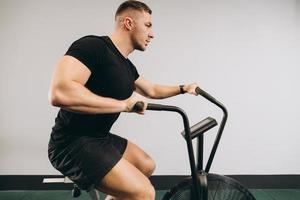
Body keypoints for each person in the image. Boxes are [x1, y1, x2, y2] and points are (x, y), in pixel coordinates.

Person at [48, 1, 199, 200]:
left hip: (99, 137)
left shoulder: (126, 66)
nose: (152, 34)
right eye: (147, 25)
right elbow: (60, 92)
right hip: (71, 143)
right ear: (128, 23)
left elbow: (152, 90)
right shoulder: (92, 46)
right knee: (145, 193)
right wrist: (122, 105)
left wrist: (183, 88)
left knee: (146, 165)